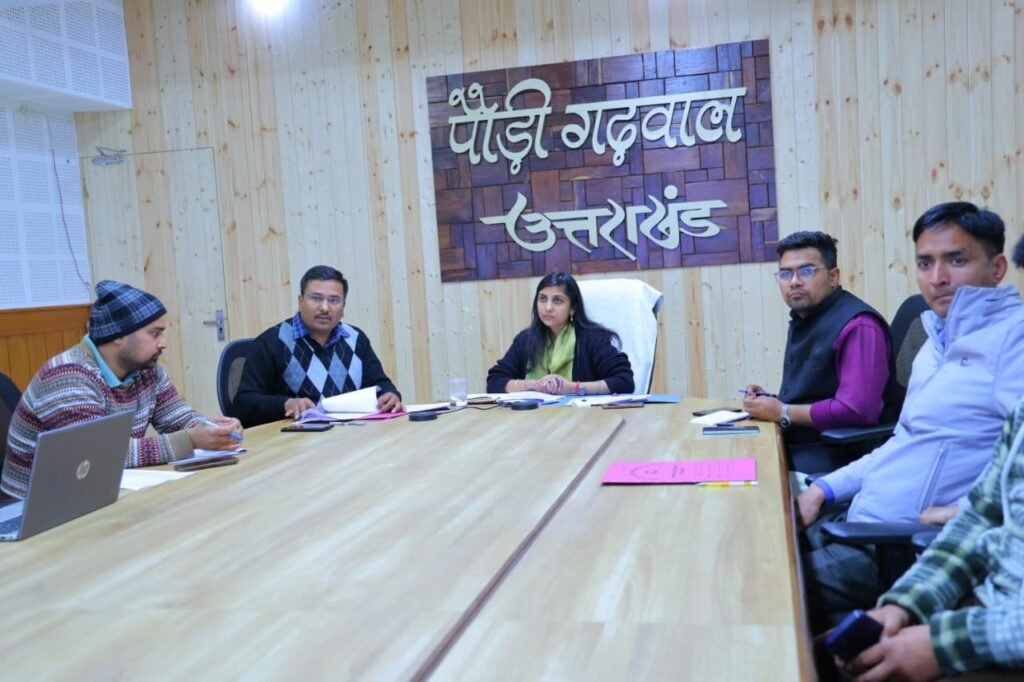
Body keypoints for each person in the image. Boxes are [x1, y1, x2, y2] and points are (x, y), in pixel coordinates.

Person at [796, 202, 1024, 633]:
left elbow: (1017, 477)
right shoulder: (935, 341)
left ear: (996, 268)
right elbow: (901, 442)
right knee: (749, 544)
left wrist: (963, 512)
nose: (938, 277)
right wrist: (825, 489)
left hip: (903, 548)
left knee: (752, 585)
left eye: (956, 260)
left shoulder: (1013, 341)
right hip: (855, 520)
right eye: (925, 263)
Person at [838, 392, 1024, 681]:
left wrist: (942, 646)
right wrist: (906, 603)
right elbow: (979, 518)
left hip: (1003, 641)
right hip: (983, 606)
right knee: (821, 658)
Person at [2, 280, 242, 499]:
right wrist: (190, 440)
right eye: (154, 334)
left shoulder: (147, 370)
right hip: (32, 509)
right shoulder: (67, 376)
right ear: (119, 335)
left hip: (97, 493)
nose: (163, 343)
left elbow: (178, 418)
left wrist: (213, 430)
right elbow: (97, 456)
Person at [743, 231, 901, 473]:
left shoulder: (859, 326)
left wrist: (782, 411)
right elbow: (817, 391)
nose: (794, 281)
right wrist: (770, 401)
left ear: (833, 277)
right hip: (804, 440)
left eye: (806, 271)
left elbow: (857, 410)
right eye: (785, 274)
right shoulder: (806, 317)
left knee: (753, 479)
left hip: (843, 454)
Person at [234, 265, 402, 427]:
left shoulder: (356, 339)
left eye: (334, 300)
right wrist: (285, 404)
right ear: (300, 301)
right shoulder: (272, 342)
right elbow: (243, 403)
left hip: (349, 434)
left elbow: (380, 383)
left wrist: (390, 395)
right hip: (294, 438)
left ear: (343, 306)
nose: (324, 308)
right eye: (316, 298)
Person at [486, 272, 634, 395]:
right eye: (543, 299)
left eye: (557, 301)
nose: (548, 308)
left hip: (582, 417)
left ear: (572, 308)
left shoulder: (592, 339)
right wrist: (534, 385)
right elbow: (494, 381)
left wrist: (573, 388)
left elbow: (624, 381)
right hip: (534, 416)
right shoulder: (525, 339)